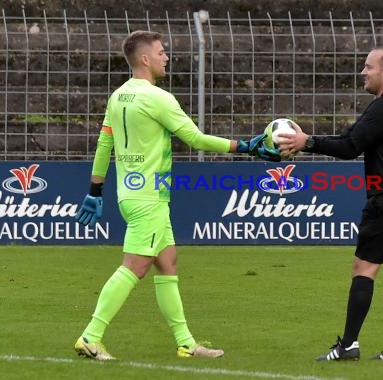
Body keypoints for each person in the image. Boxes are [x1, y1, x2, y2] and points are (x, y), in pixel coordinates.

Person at [73, 30, 279, 361]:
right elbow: (195, 138)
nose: (166, 57)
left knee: (167, 262)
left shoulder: (118, 96)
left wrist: (95, 189)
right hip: (150, 198)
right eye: (161, 52)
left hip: (130, 193)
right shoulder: (158, 98)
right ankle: (91, 336)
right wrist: (246, 147)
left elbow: (105, 144)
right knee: (135, 266)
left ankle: (186, 343)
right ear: (144, 59)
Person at [279, 47, 383, 361]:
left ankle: (347, 346)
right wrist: (312, 140)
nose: (363, 72)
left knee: (364, 267)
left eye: (368, 66)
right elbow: (352, 136)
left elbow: (349, 147)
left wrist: (308, 143)